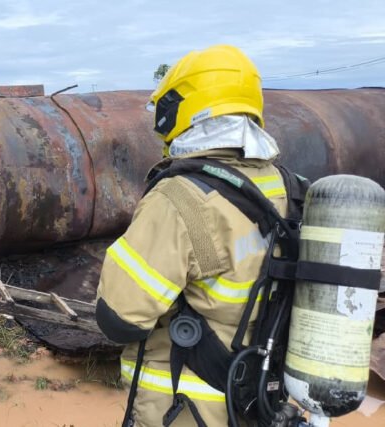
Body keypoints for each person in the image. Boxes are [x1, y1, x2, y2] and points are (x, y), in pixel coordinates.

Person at [96, 45, 305, 426]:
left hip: (185, 407)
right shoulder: (287, 188)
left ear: (184, 108)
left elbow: (119, 318)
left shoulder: (180, 198)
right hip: (259, 401)